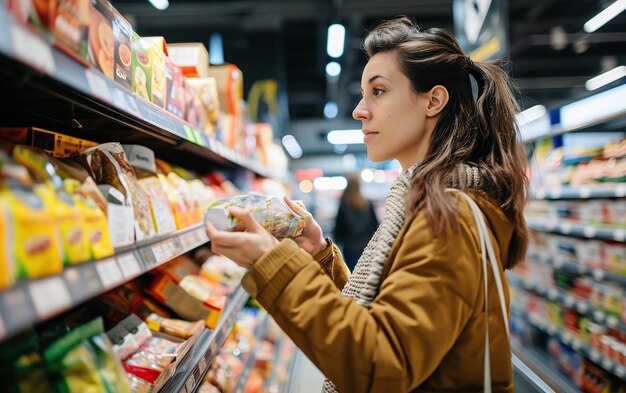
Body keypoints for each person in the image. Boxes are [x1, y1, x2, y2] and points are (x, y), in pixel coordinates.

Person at [205, 16, 528, 392]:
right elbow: (381, 318)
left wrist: (272, 265)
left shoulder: (449, 216)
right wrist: (319, 257)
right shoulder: (425, 203)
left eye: (378, 91)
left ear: (433, 101)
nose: (360, 110)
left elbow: (382, 364)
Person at [333, 173, 379, 271]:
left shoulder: (344, 204)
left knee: (354, 275)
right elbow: (375, 226)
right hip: (367, 247)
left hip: (350, 248)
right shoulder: (367, 203)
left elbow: (339, 228)